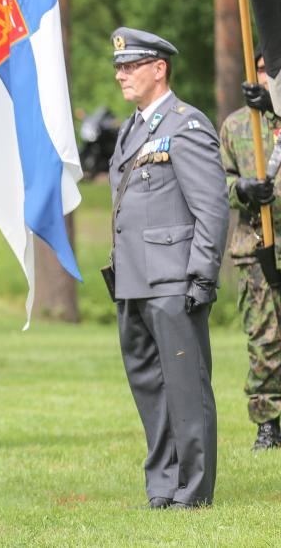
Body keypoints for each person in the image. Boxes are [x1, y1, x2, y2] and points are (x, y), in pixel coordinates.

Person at [106, 27, 228, 509]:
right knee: (150, 391)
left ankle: (194, 489)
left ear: (159, 69)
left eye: (131, 65)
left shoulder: (187, 126)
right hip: (133, 280)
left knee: (185, 387)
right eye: (119, 67)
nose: (121, 74)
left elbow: (211, 209)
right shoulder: (132, 129)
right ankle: (163, 485)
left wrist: (201, 275)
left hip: (174, 280)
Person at [219, 50, 281, 450]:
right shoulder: (237, 125)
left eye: (271, 71)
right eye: (260, 69)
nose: (264, 76)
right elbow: (217, 183)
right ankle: (268, 421)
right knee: (264, 336)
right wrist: (241, 189)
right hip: (256, 246)